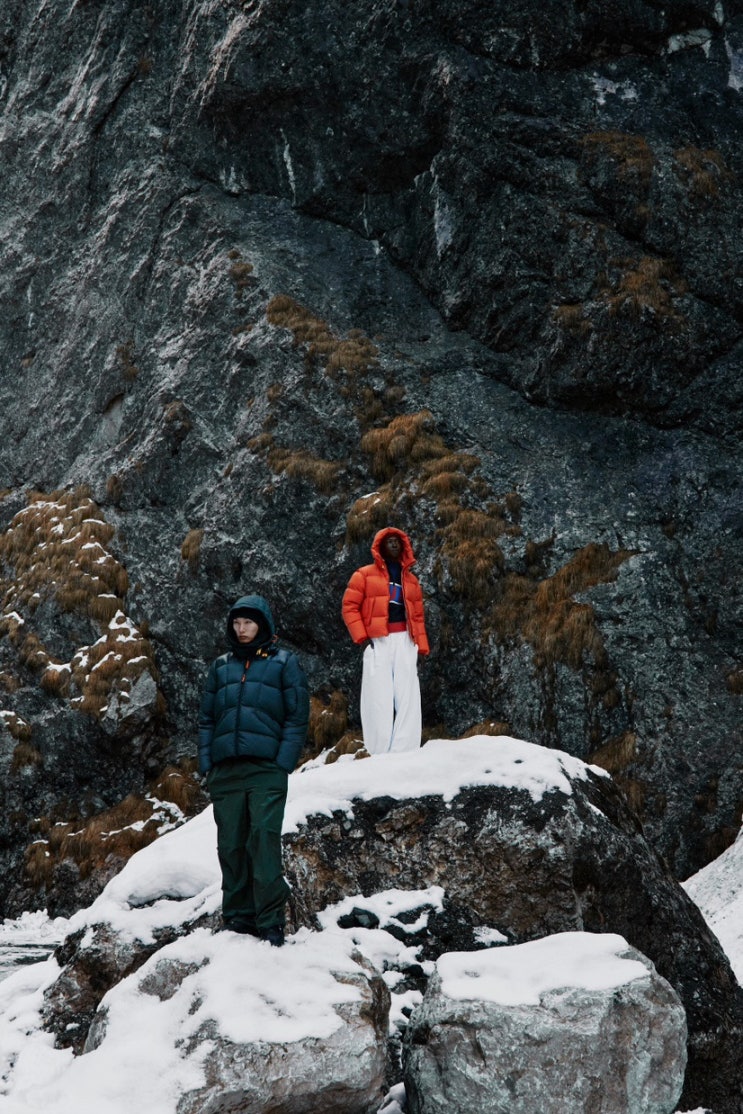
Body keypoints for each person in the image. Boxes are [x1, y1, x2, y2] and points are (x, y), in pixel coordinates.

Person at [198, 594, 309, 945]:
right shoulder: (221, 667)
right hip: (226, 772)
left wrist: (282, 763)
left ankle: (270, 922)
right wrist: (208, 765)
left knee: (263, 840)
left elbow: (297, 717)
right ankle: (237, 918)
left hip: (266, 770)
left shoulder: (284, 663)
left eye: (248, 622)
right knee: (231, 846)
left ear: (262, 624)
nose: (241, 629)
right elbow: (207, 719)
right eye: (236, 623)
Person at [342, 527, 429, 754]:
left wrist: (421, 646)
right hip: (377, 641)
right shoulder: (363, 575)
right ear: (379, 547)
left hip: (405, 640)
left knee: (408, 695)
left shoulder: (411, 581)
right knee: (377, 695)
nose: (394, 544)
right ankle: (378, 751)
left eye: (397, 541)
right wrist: (363, 638)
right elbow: (349, 606)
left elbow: (418, 616)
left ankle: (405, 749)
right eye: (389, 541)